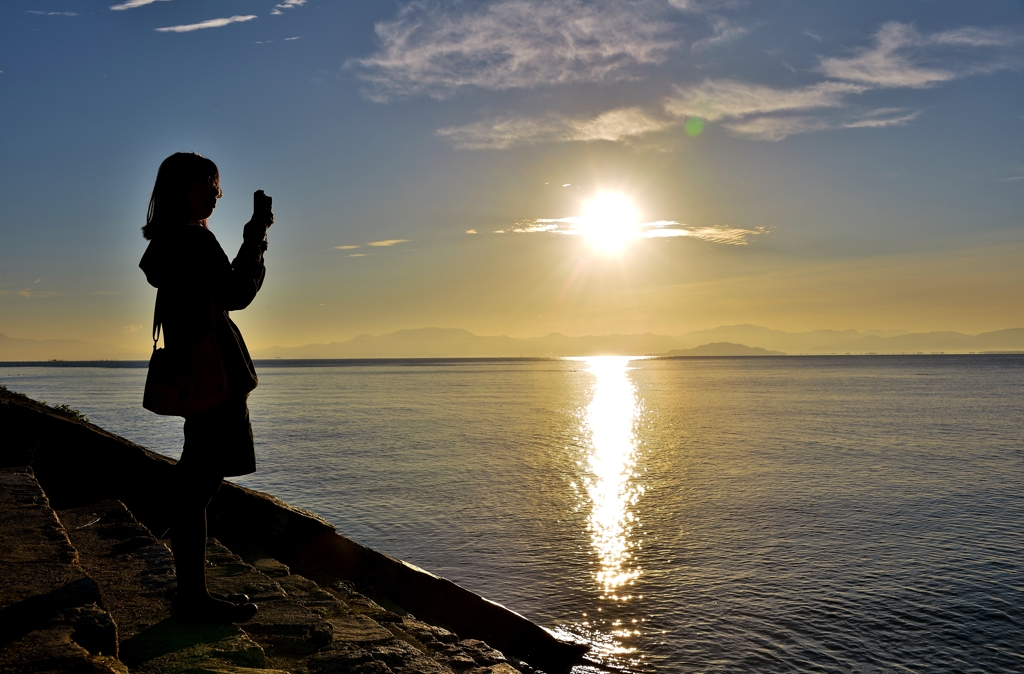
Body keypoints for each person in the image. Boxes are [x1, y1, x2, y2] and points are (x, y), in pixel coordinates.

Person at [139, 152, 273, 623]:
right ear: (183, 188)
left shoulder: (166, 242)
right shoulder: (194, 239)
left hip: (197, 376)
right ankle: (192, 598)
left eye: (218, 187)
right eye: (209, 185)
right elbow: (237, 293)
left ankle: (190, 592)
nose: (217, 194)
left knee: (195, 481)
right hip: (216, 378)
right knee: (196, 486)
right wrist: (255, 237)